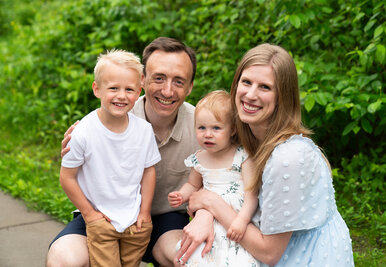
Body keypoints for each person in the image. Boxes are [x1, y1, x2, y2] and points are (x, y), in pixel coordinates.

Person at [176, 43, 355, 266]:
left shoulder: (288, 158)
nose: (251, 95)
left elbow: (270, 252)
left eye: (265, 87)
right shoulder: (246, 137)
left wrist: (212, 204)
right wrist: (205, 214)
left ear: (283, 96)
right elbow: (224, 187)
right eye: (247, 82)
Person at [46, 37, 200, 267]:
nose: (167, 90)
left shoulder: (204, 128)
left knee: (188, 258)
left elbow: (222, 180)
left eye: (179, 81)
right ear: (143, 80)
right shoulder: (113, 114)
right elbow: (71, 170)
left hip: (165, 221)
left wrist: (203, 217)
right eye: (159, 78)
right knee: (63, 260)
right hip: (104, 215)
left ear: (190, 87)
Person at [59, 49, 161, 266]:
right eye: (113, 88)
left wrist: (144, 211)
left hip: (135, 221)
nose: (121, 95)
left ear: (139, 91)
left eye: (129, 89)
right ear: (97, 89)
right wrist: (89, 214)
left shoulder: (143, 130)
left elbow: (148, 171)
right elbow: (66, 177)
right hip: (100, 219)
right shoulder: (83, 132)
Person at [168, 90, 260, 266]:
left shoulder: (242, 157)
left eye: (216, 128)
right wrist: (181, 195)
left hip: (235, 218)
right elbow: (192, 185)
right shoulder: (199, 158)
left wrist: (242, 220)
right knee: (202, 257)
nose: (207, 134)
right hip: (209, 222)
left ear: (232, 129)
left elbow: (251, 195)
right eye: (201, 128)